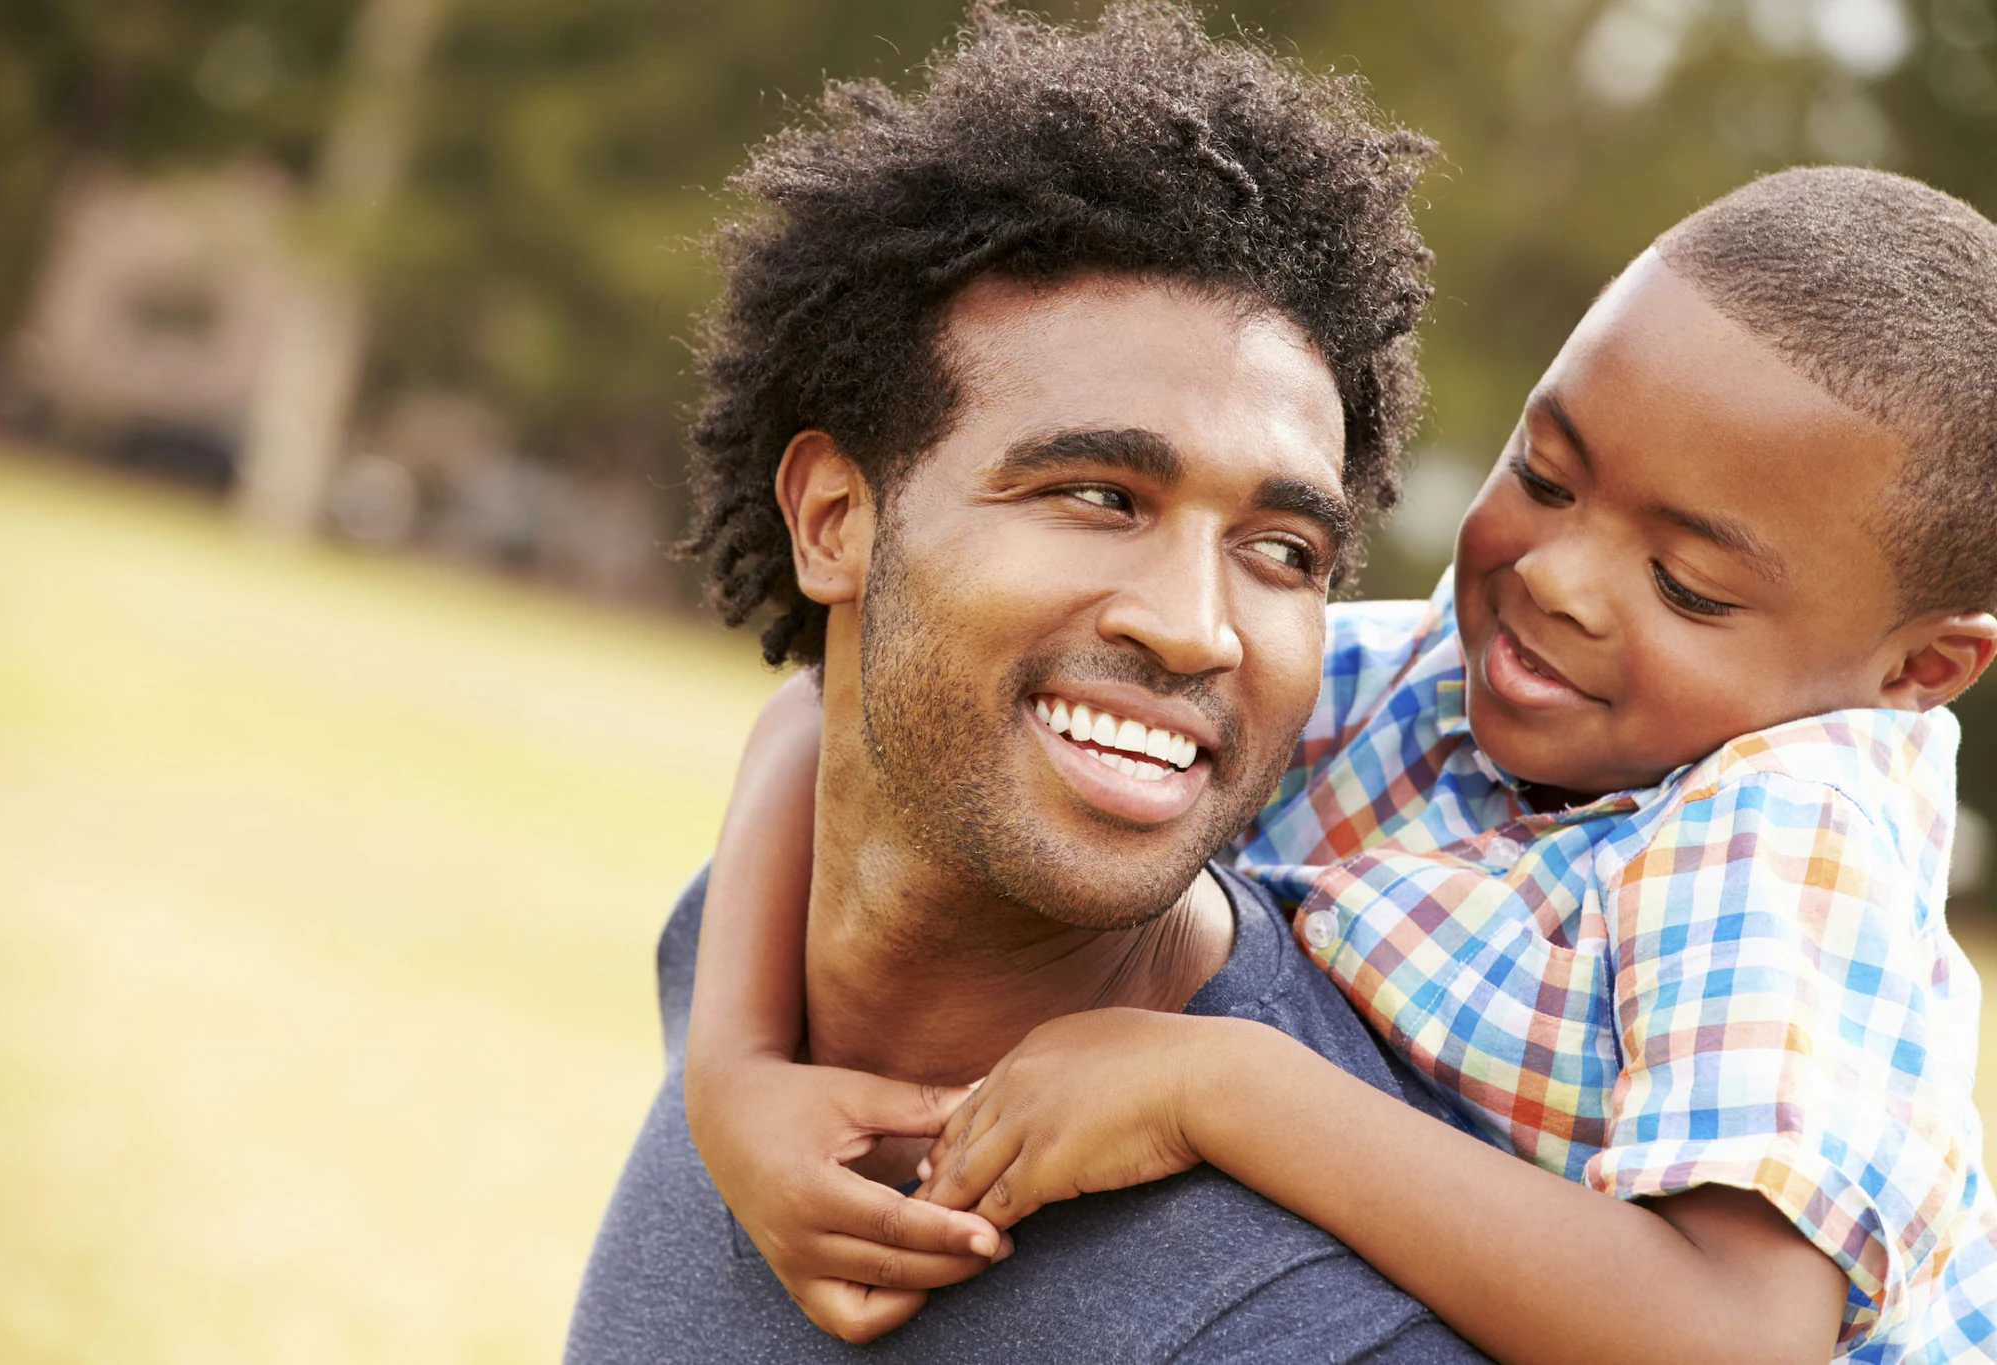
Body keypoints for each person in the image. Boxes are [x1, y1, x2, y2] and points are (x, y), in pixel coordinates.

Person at [689, 169, 1997, 1361]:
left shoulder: (1787, 837)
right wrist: (735, 1074)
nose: (1559, 580)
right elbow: (837, 702)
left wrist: (1218, 1087)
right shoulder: (1436, 682)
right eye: (1545, 477)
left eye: (1686, 584)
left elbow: (1729, 1339)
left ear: (1920, 671)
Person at [563, 4, 1491, 1361]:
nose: (1195, 629)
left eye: (1281, 549)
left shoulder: (1317, 1320)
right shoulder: (738, 962)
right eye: (1098, 494)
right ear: (835, 520)